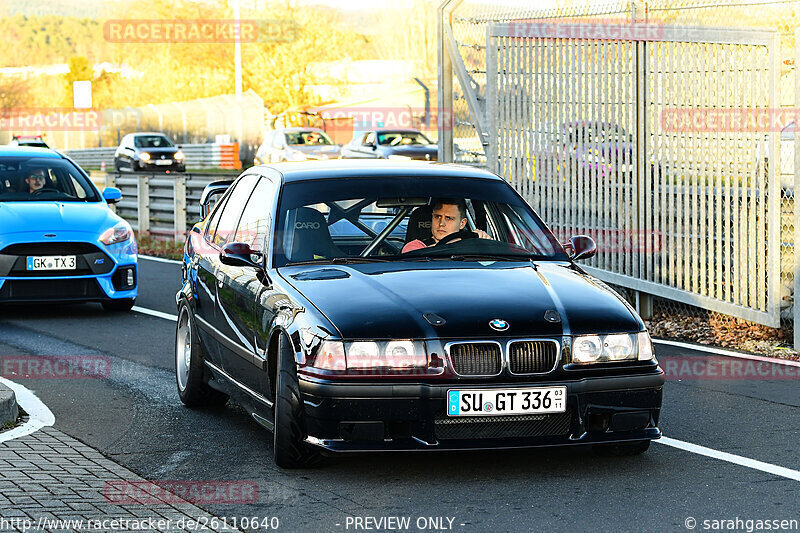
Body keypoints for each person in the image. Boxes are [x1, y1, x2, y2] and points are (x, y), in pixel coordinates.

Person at [401, 198, 490, 253]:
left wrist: (484, 243)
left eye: (449, 218)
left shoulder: (471, 245)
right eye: (437, 217)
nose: (441, 223)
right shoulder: (415, 247)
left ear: (462, 223)